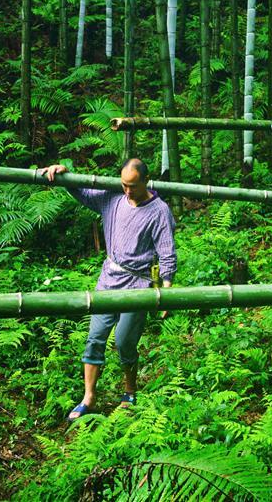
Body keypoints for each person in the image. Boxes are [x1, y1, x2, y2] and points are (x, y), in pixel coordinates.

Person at [41, 159, 177, 422]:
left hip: (138, 286)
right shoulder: (113, 198)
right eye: (124, 185)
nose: (128, 191)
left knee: (125, 341)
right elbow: (83, 192)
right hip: (108, 280)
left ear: (146, 182)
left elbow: (167, 253)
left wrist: (167, 292)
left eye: (133, 186)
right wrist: (64, 174)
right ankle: (88, 398)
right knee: (95, 338)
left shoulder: (159, 211)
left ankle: (129, 391)